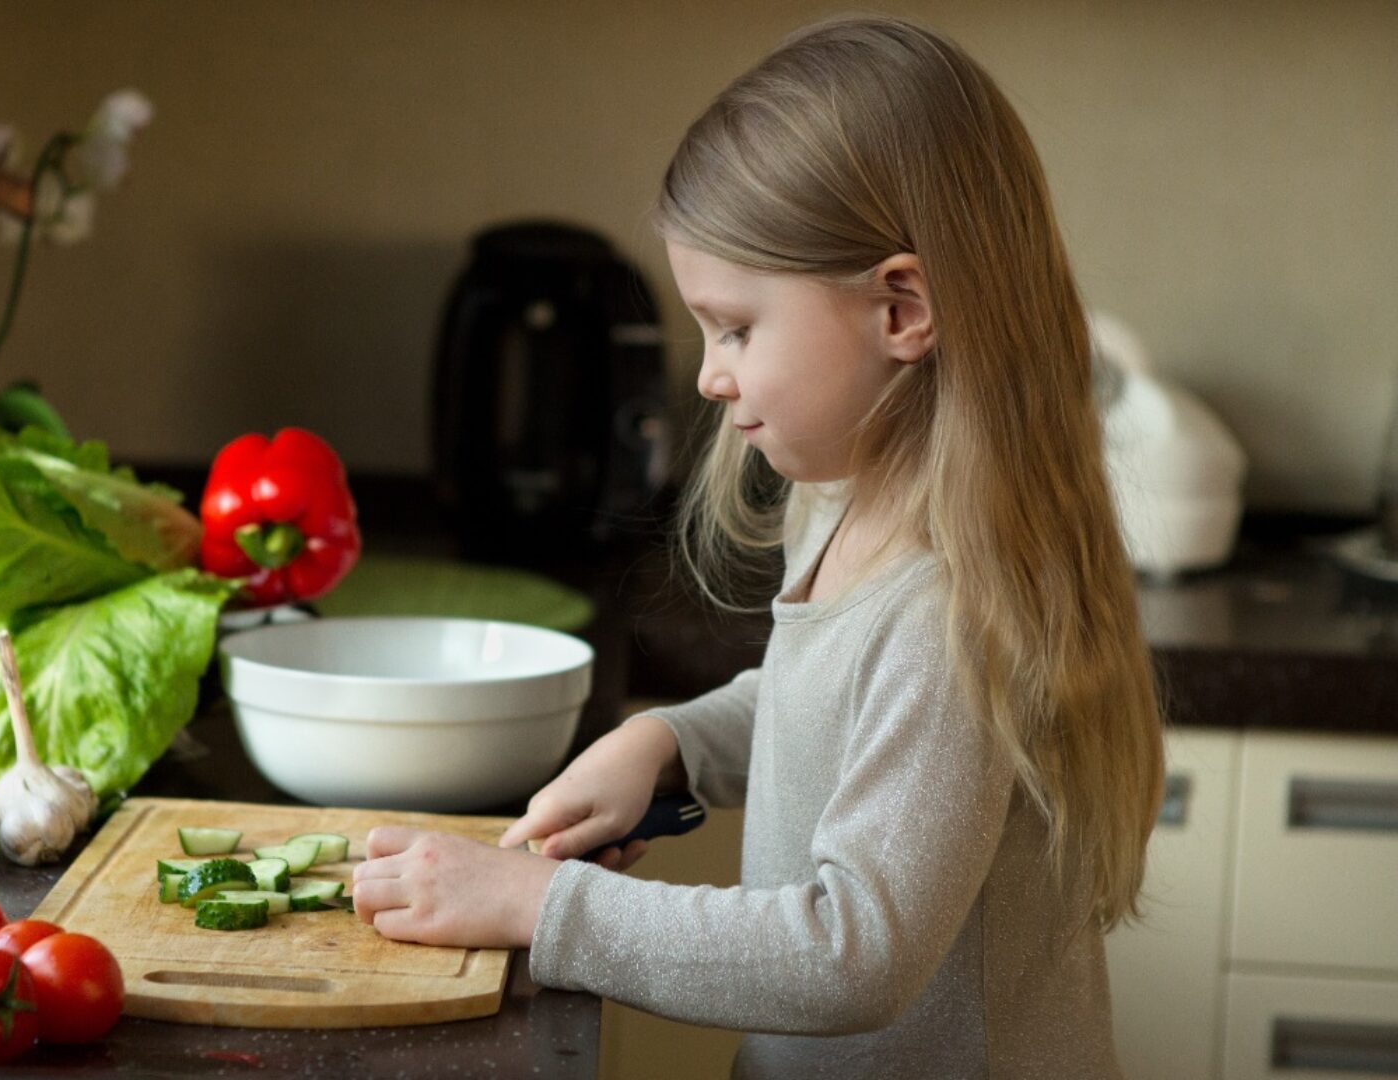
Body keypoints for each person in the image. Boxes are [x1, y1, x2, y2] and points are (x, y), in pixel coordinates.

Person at [349, 13, 1166, 1078]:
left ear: (901, 309)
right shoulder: (843, 504)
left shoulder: (952, 608)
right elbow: (825, 708)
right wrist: (671, 741)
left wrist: (544, 906)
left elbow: (850, 957)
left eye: (735, 327)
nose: (707, 373)